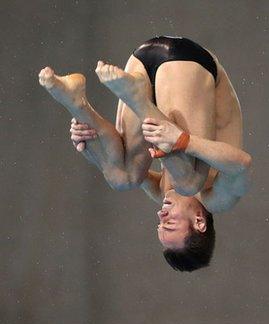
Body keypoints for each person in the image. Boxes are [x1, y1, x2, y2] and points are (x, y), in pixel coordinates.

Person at [39, 36, 251, 271]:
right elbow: (242, 163)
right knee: (189, 183)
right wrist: (184, 141)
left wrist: (89, 140)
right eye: (169, 224)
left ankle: (77, 102)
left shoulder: (161, 191)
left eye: (159, 224)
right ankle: (137, 98)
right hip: (188, 62)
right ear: (199, 222)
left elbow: (114, 159)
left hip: (141, 64)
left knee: (124, 178)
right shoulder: (218, 198)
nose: (161, 215)